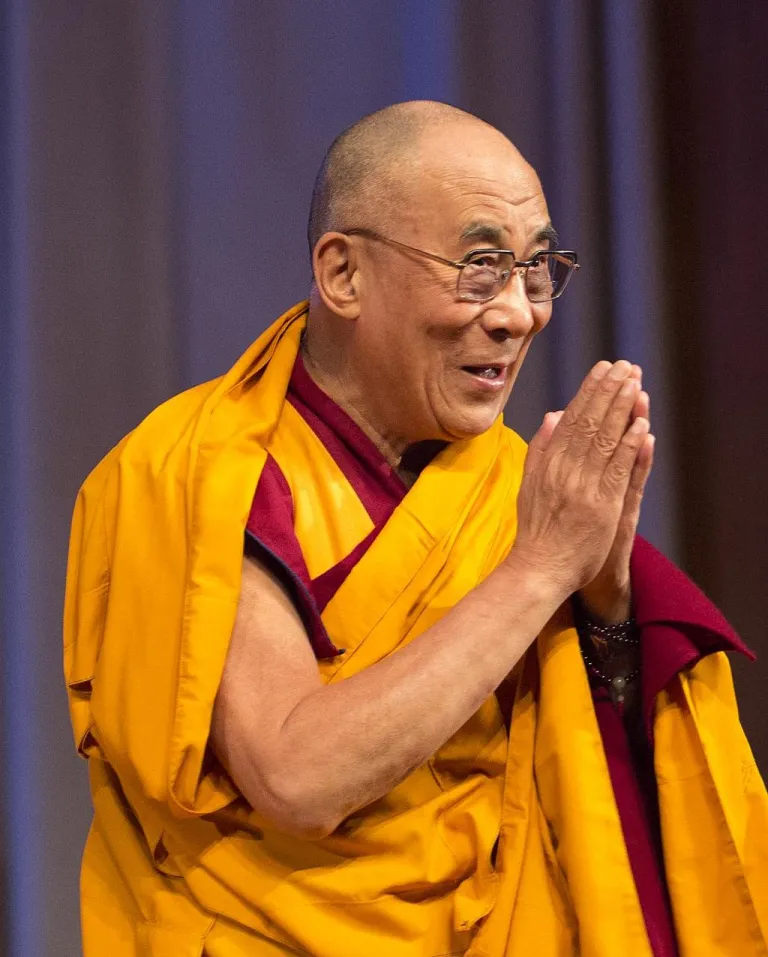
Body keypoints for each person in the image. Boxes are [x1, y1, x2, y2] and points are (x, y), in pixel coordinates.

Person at [63, 101, 768, 957]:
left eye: (537, 269)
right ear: (344, 275)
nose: (519, 313)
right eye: (480, 266)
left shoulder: (513, 487)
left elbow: (613, 784)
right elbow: (296, 777)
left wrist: (606, 602)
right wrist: (542, 569)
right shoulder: (204, 471)